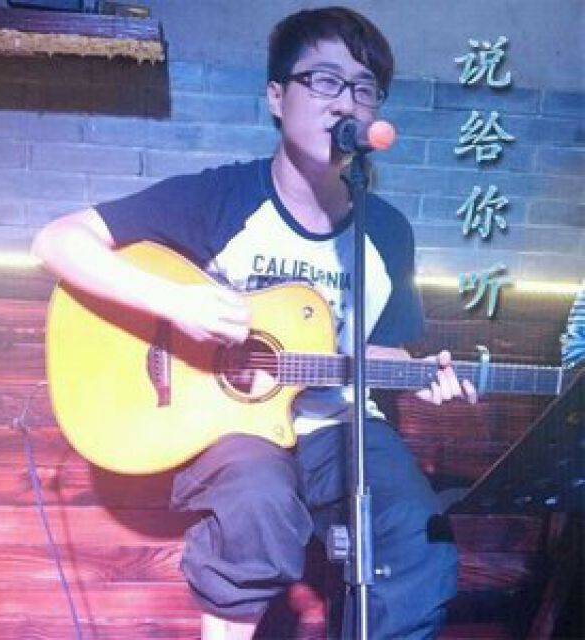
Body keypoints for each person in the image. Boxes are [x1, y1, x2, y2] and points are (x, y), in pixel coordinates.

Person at [33, 7, 477, 639]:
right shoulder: (219, 199)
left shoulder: (387, 231)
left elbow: (382, 351)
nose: (344, 102)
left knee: (416, 530)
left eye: (363, 87)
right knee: (257, 500)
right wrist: (175, 302)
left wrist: (425, 375)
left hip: (339, 426)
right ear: (276, 96)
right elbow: (58, 241)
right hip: (231, 424)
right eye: (324, 80)